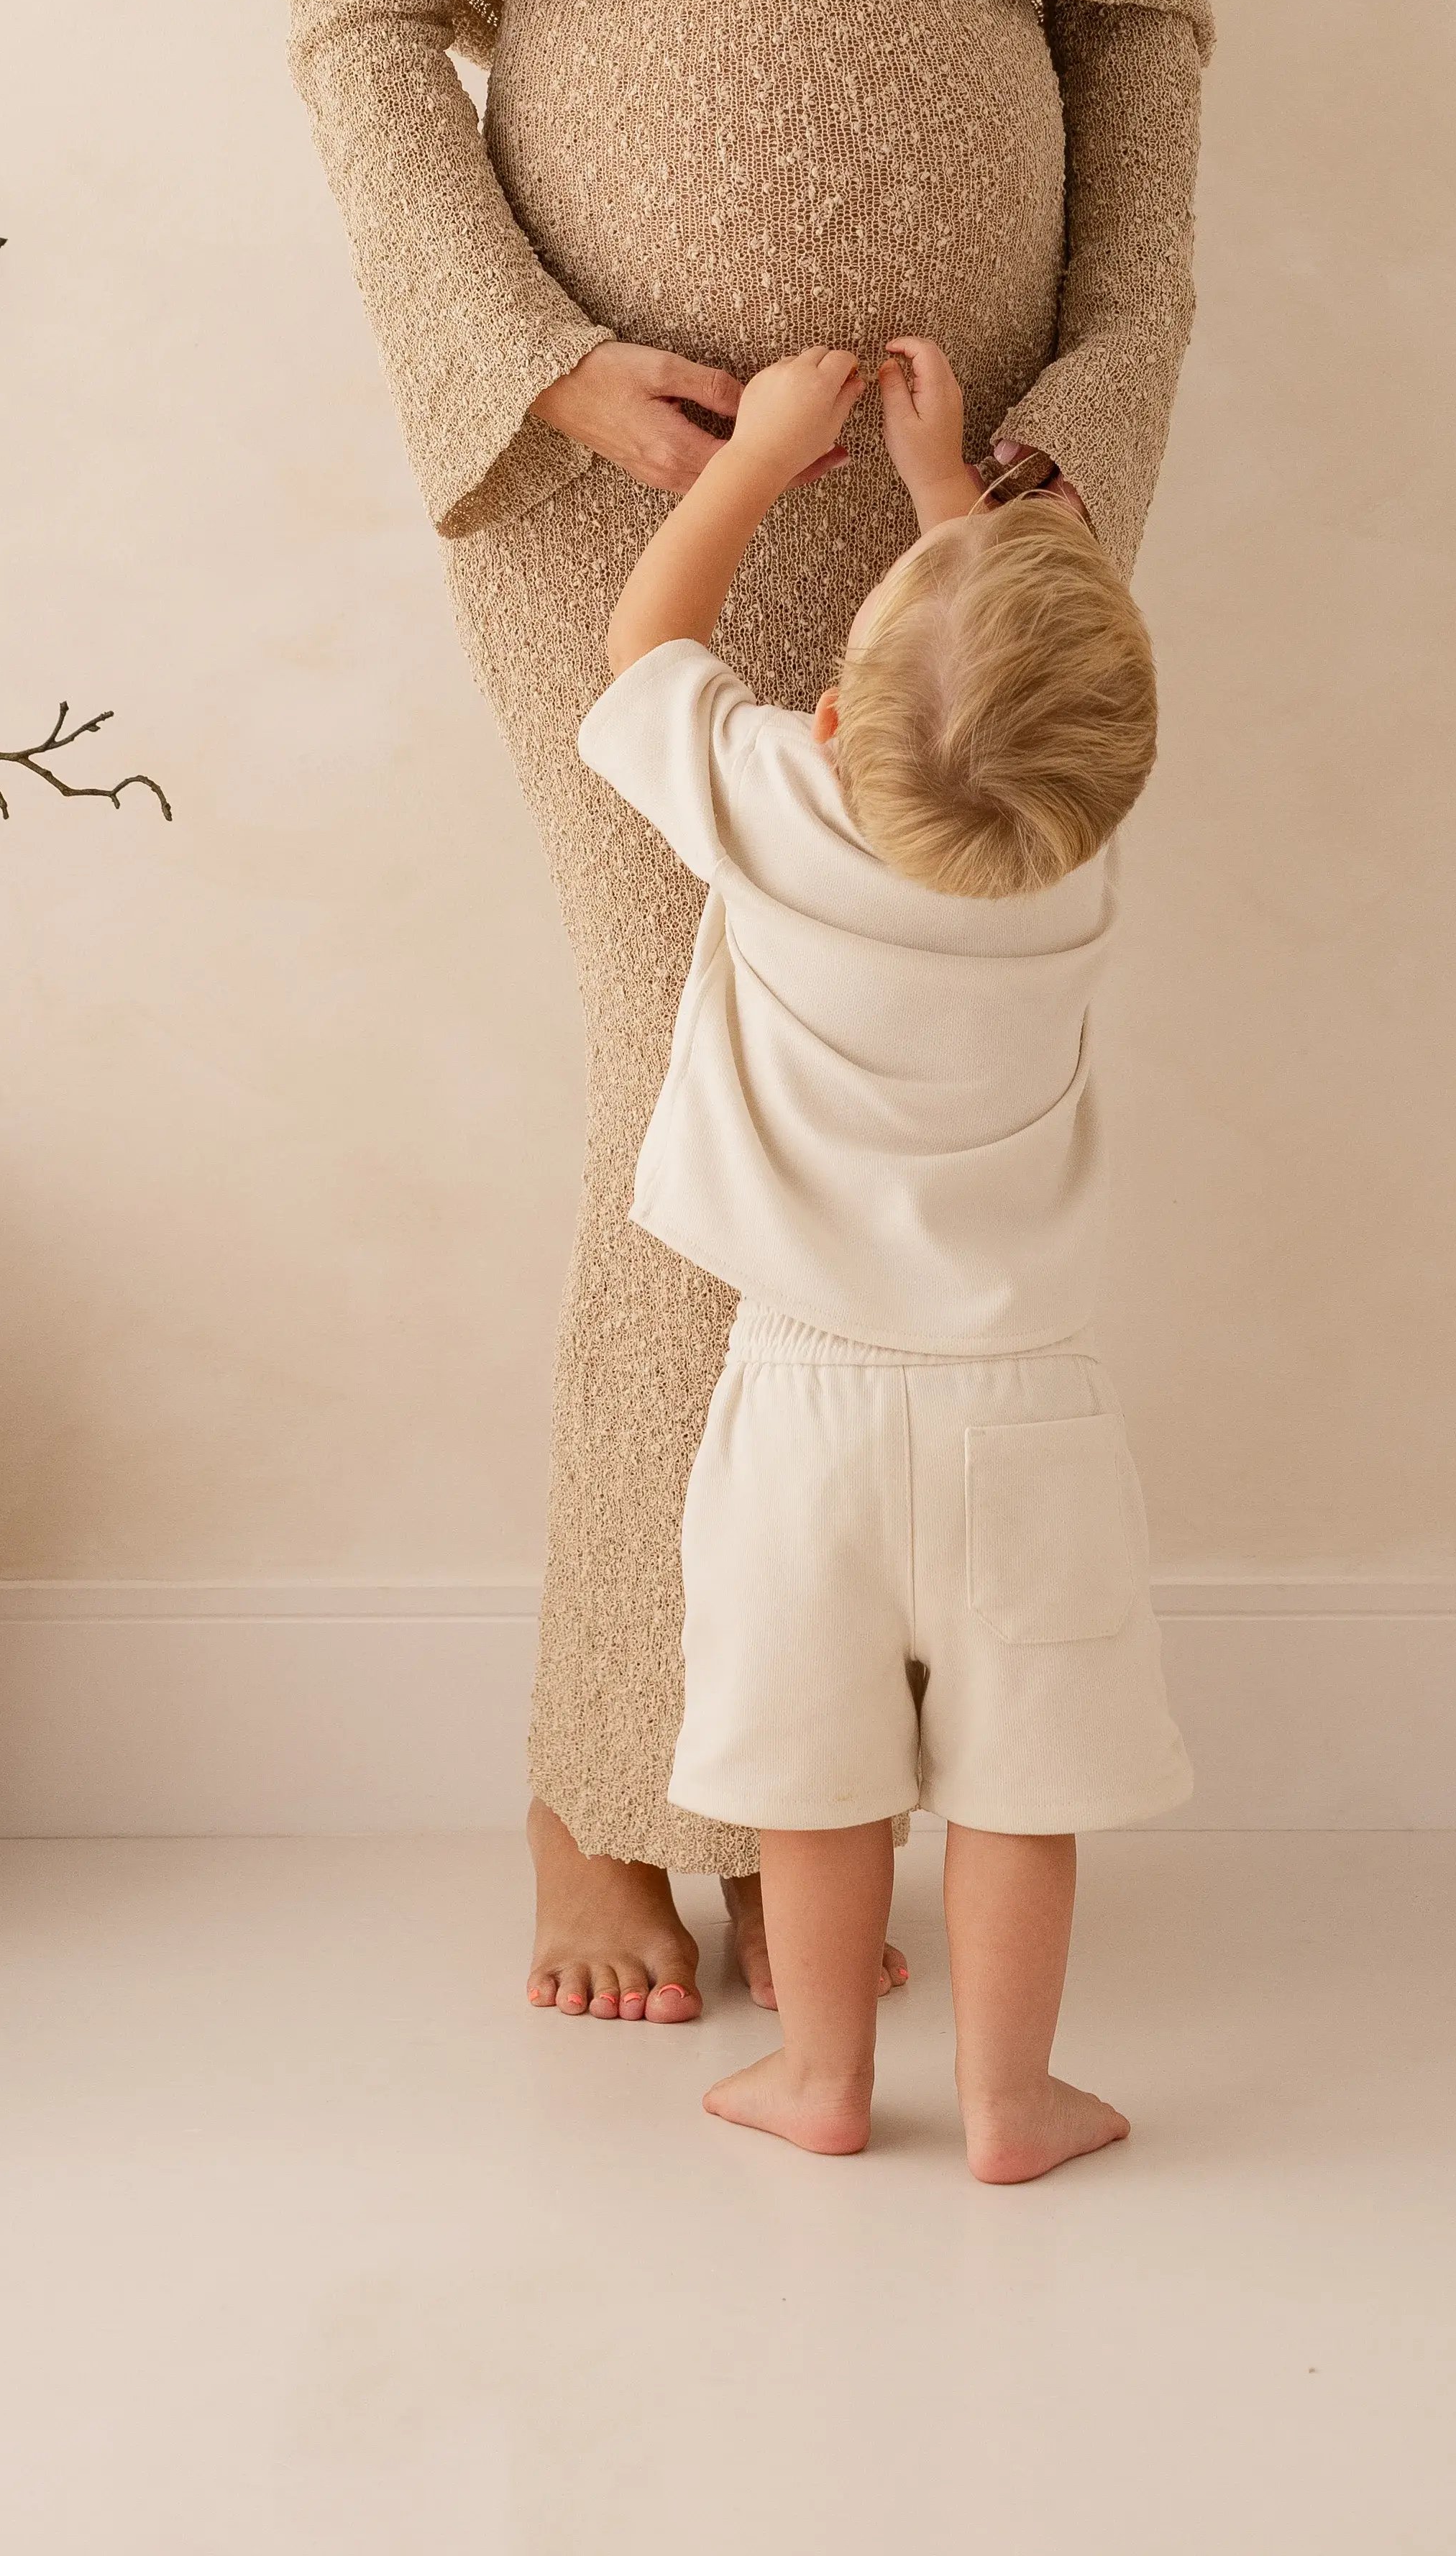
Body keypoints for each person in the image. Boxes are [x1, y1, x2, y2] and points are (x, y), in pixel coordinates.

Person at [281, 0, 1207, 2020]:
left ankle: (866, 1757)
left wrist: (1101, 378)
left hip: (981, 479)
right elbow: (359, 1)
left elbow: (1134, 9)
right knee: (686, 1099)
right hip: (617, 467)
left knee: (930, 1111)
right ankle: (605, 1779)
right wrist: (537, 356)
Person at [579, 328, 1186, 2179]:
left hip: (802, 1400)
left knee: (815, 1778)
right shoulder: (1068, 871)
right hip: (1033, 1410)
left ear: (836, 723)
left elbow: (639, 662)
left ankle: (821, 2075)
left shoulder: (784, 807)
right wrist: (947, 500)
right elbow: (1000, 717)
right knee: (1021, 1787)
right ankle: (1013, 2102)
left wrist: (762, 459)